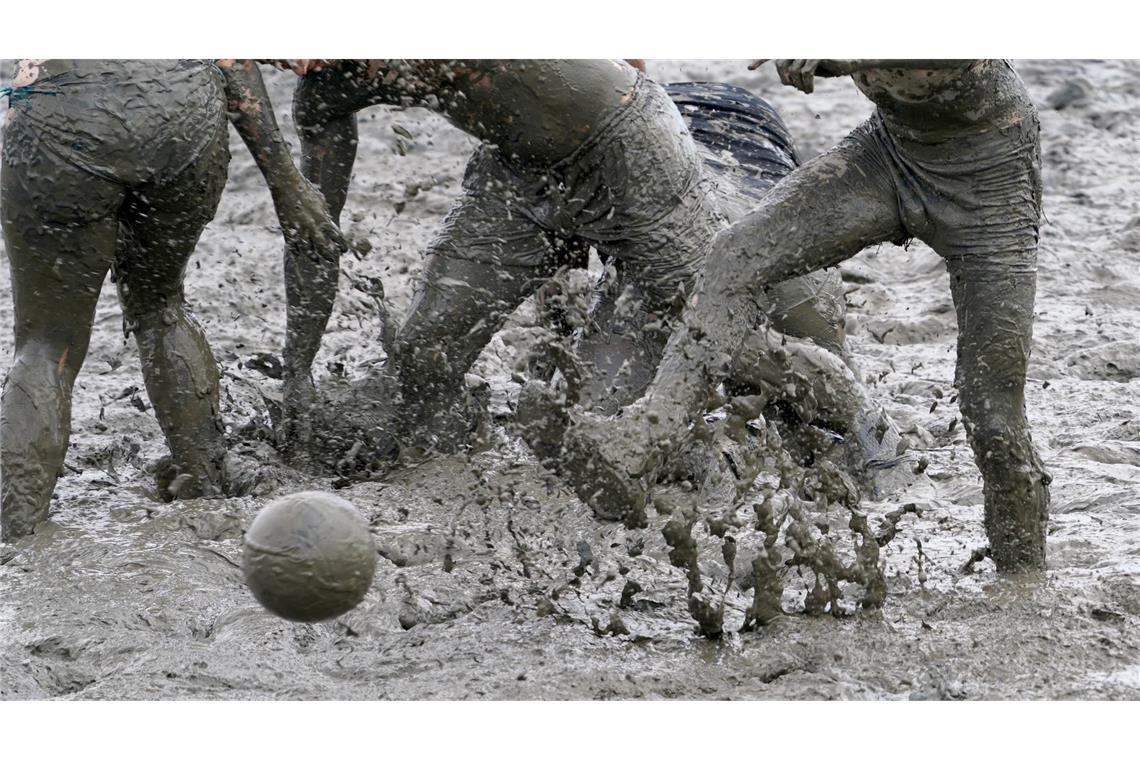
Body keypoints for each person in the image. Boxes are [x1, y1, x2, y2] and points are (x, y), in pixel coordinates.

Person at [283, 59, 892, 475]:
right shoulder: (326, 87)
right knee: (425, 345)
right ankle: (440, 456)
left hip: (624, 145)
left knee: (706, 329)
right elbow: (311, 232)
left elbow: (625, 63)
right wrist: (297, 372)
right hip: (516, 171)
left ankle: (851, 403)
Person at [560, 60, 1049, 572]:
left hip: (992, 174)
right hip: (892, 149)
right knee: (734, 256)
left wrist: (839, 53)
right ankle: (648, 433)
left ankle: (1022, 580)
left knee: (991, 411)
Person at [0, 59, 343, 541]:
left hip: (64, 116)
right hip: (185, 117)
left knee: (44, 346)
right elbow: (233, 60)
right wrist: (286, 184)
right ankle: (204, 489)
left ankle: (17, 536)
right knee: (162, 308)